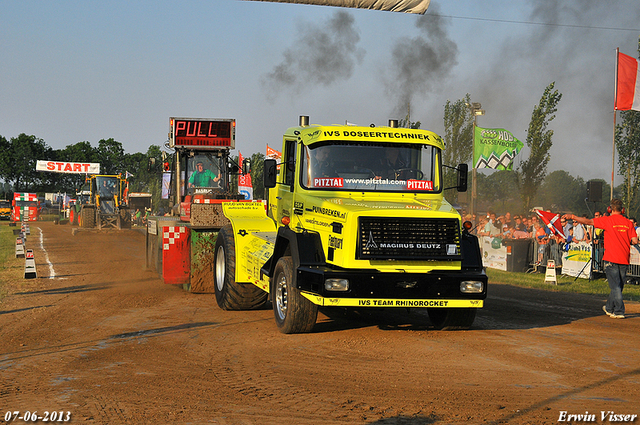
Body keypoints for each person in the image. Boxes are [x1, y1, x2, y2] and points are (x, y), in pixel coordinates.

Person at [565, 199, 638, 319]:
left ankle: (619, 310)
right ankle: (609, 308)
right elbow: (634, 240)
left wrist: (573, 216)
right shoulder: (628, 223)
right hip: (624, 258)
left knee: (615, 286)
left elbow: (588, 221)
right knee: (618, 286)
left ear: (610, 209)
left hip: (611, 258)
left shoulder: (607, 220)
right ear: (622, 210)